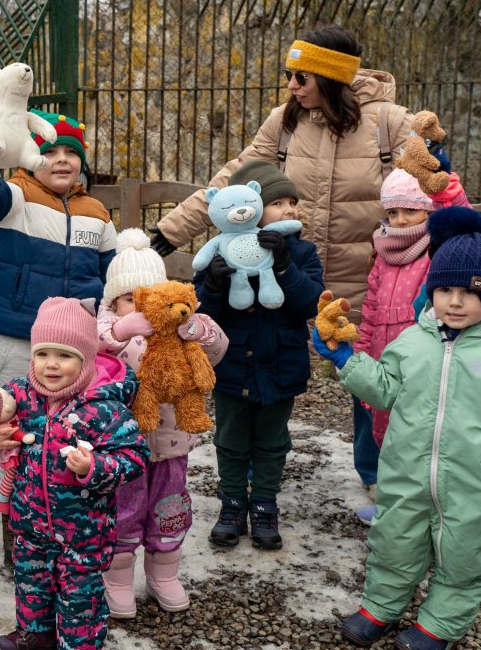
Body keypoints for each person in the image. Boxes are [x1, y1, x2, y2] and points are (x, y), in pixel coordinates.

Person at [152, 26, 420, 494]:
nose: (291, 85)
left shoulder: (391, 124)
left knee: (370, 375)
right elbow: (232, 180)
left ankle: (378, 473)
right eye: (289, 74)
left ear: (330, 77)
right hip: (284, 271)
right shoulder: (285, 122)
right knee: (263, 360)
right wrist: (171, 232)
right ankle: (250, 470)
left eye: (301, 76)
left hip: (366, 277)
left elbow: (427, 189)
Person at [326, 207, 481, 650]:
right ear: (431, 291)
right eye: (445, 290)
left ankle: (440, 622)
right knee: (394, 542)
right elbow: (385, 389)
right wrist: (347, 361)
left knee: (464, 555)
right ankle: (380, 606)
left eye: (469, 292)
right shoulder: (413, 342)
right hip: (407, 475)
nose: (454, 302)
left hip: (475, 486)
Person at [0, 297, 148, 650]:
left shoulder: (104, 408)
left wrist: (94, 468)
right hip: (30, 522)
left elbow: (134, 457)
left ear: (86, 359)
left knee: (79, 592)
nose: (50, 365)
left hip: (83, 529)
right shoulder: (23, 396)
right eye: (42, 353)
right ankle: (36, 632)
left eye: (64, 356)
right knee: (32, 580)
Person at [0, 110, 117, 569]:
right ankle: (18, 537)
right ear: (32, 157)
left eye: (71, 152)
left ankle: (68, 526)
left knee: (72, 432)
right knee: (19, 431)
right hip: (22, 337)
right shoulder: (16, 196)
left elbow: (110, 276)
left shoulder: (97, 213)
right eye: (51, 152)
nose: (62, 160)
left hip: (78, 346)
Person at [95, 228, 228, 617]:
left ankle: (163, 574)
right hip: (122, 448)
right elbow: (88, 352)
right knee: (123, 510)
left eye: (149, 296)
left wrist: (196, 330)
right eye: (129, 300)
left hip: (171, 442)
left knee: (169, 507)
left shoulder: (183, 322)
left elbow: (218, 349)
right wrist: (119, 332)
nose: (141, 308)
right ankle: (118, 579)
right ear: (113, 302)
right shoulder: (105, 326)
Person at [193, 161, 324, 551]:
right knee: (231, 439)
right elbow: (199, 315)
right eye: (278, 203)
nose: (289, 210)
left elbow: (311, 303)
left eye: (292, 203)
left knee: (272, 441)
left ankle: (265, 505)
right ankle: (232, 504)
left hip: (281, 366)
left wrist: (284, 266)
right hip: (232, 366)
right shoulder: (220, 252)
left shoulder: (301, 252)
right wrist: (213, 283)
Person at [350, 168, 472, 522]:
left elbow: (466, 231)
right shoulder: (382, 252)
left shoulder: (438, 249)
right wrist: (361, 353)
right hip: (382, 355)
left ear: (429, 209)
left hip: (423, 358)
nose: (401, 220)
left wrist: (451, 195)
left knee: (416, 431)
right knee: (381, 424)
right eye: (393, 212)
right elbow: (370, 309)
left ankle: (419, 504)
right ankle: (389, 496)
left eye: (411, 210)